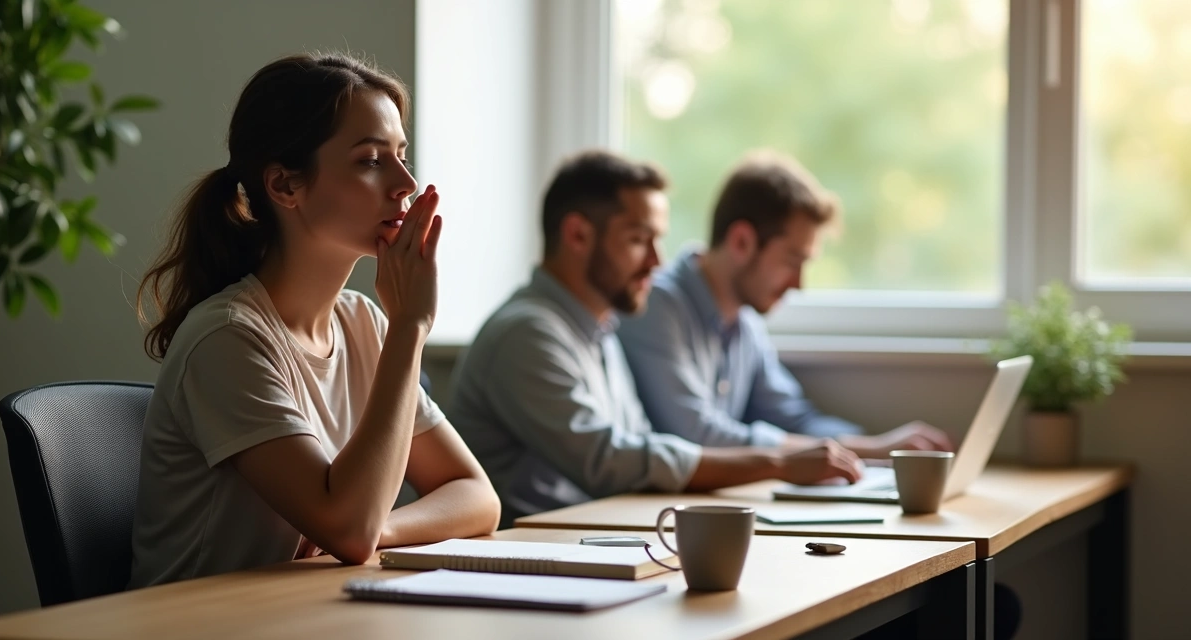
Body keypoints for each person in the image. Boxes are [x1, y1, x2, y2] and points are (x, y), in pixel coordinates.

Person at [129, 53, 500, 587]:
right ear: (284, 186)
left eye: (401, 155)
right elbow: (349, 530)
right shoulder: (228, 338)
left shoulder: (363, 324)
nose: (405, 183)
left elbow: (476, 495)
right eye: (371, 160)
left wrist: (384, 530)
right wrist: (410, 327)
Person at [449, 150, 864, 526]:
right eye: (637, 240)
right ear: (577, 236)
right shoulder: (527, 333)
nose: (656, 261)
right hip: (523, 559)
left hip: (584, 542)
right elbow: (609, 462)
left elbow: (641, 444)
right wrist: (777, 462)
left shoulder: (600, 333)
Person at [618, 150, 953, 457]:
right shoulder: (656, 306)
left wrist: (877, 449)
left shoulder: (745, 323)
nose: (798, 284)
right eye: (792, 261)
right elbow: (698, 436)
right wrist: (867, 451)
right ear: (741, 242)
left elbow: (794, 418)